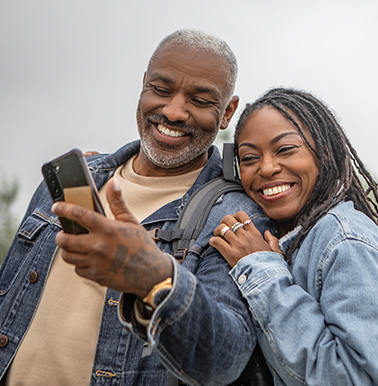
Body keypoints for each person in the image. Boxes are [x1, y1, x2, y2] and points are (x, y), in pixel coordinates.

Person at [0, 30, 273, 386]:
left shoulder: (236, 216)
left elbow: (224, 361)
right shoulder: (73, 179)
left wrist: (154, 276)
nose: (174, 111)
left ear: (227, 113)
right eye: (161, 89)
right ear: (144, 85)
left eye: (201, 99)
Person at [209, 87, 378, 385]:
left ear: (325, 151)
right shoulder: (290, 241)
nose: (266, 167)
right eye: (250, 158)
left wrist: (262, 272)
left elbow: (357, 379)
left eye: (286, 149)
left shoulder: (345, 241)